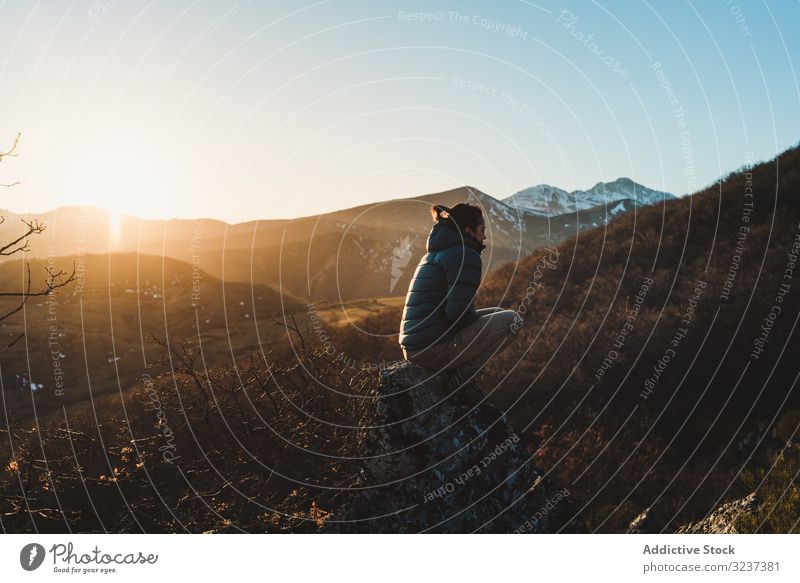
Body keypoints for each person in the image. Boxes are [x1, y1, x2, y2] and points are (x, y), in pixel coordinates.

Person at [399, 202, 522, 384]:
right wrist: (473, 324)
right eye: (482, 229)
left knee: (497, 312)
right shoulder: (465, 255)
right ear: (469, 230)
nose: (485, 236)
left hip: (415, 345)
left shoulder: (437, 252)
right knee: (513, 321)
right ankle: (462, 378)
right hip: (432, 349)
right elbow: (457, 314)